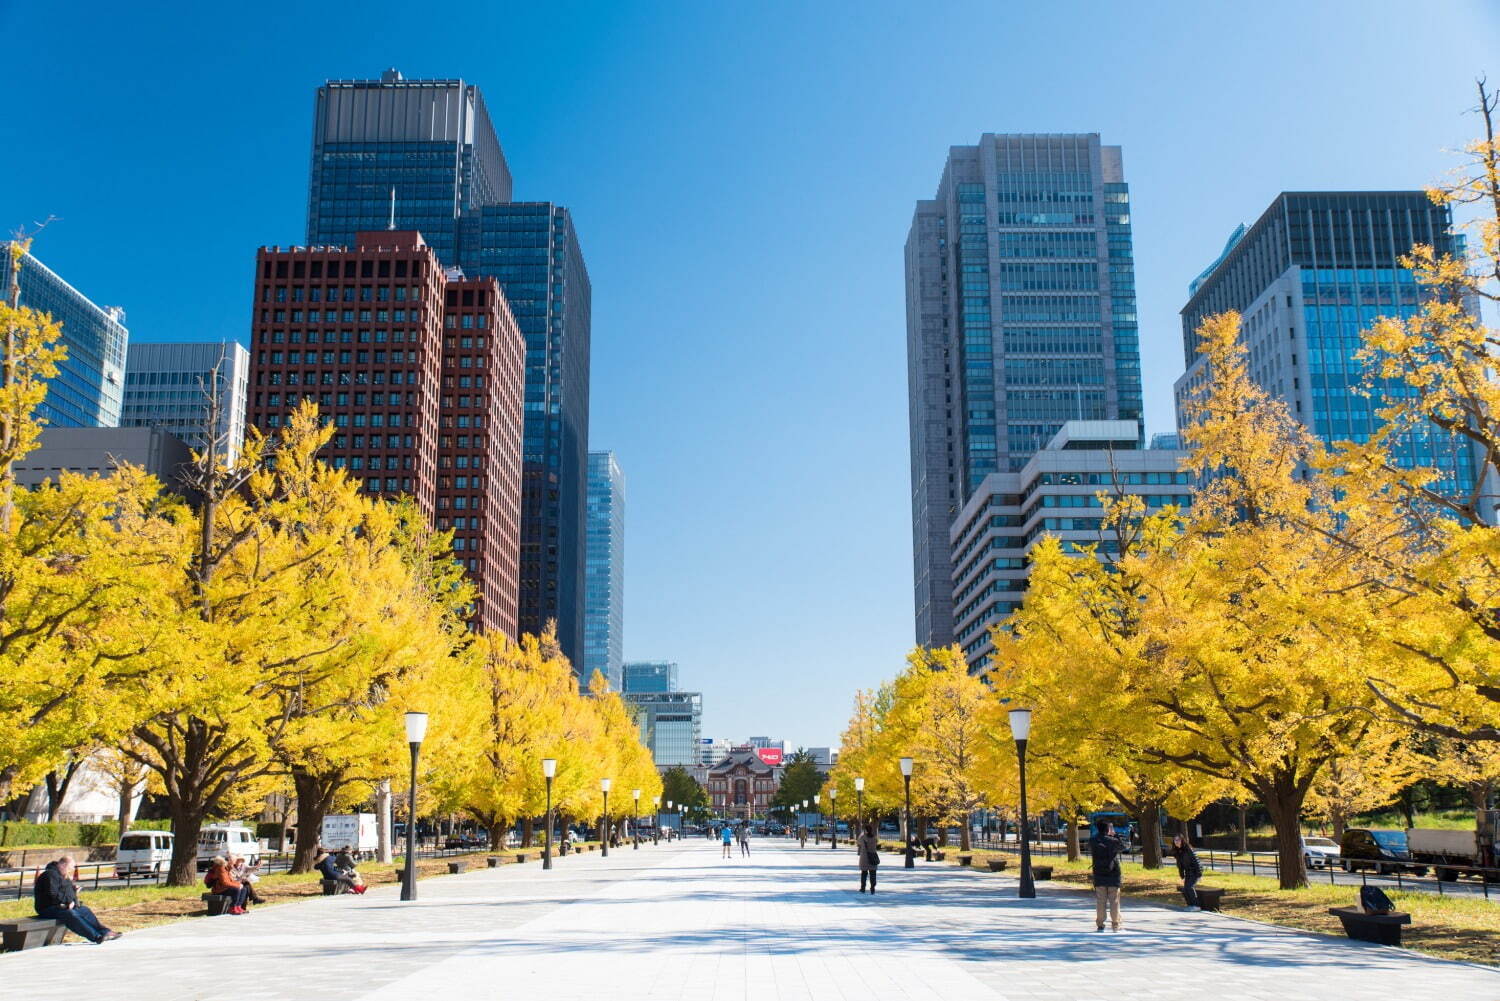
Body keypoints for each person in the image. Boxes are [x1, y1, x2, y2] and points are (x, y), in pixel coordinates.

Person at [34, 855, 119, 943]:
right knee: (70, 914)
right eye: (69, 868)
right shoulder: (50, 875)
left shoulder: (64, 876)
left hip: (60, 907)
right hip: (46, 908)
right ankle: (95, 936)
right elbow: (52, 894)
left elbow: (69, 892)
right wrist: (68, 903)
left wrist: (74, 897)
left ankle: (105, 932)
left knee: (84, 910)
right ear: (63, 865)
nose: (70, 871)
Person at [1090, 822, 1127, 932]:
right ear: (1108, 830)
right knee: (1114, 900)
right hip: (1113, 873)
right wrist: (1114, 835)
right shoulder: (1113, 841)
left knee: (1100, 901)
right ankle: (1115, 924)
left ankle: (1100, 923)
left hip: (1098, 873)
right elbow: (1123, 847)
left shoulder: (1093, 840)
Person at [1168, 833, 1203, 910]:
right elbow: (1180, 866)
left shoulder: (1188, 849)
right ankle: (1190, 905)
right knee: (1185, 890)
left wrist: (1199, 875)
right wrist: (1182, 876)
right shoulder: (1177, 851)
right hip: (1188, 872)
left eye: (1178, 840)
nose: (1176, 841)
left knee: (1189, 888)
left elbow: (1196, 861)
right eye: (1175, 840)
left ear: (1182, 840)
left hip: (1194, 871)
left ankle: (1196, 906)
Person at [857, 821, 880, 894]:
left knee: (864, 873)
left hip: (864, 858)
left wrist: (862, 833)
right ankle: (873, 888)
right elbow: (877, 844)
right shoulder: (874, 838)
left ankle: (863, 888)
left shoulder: (863, 837)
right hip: (872, 857)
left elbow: (858, 842)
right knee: (873, 874)